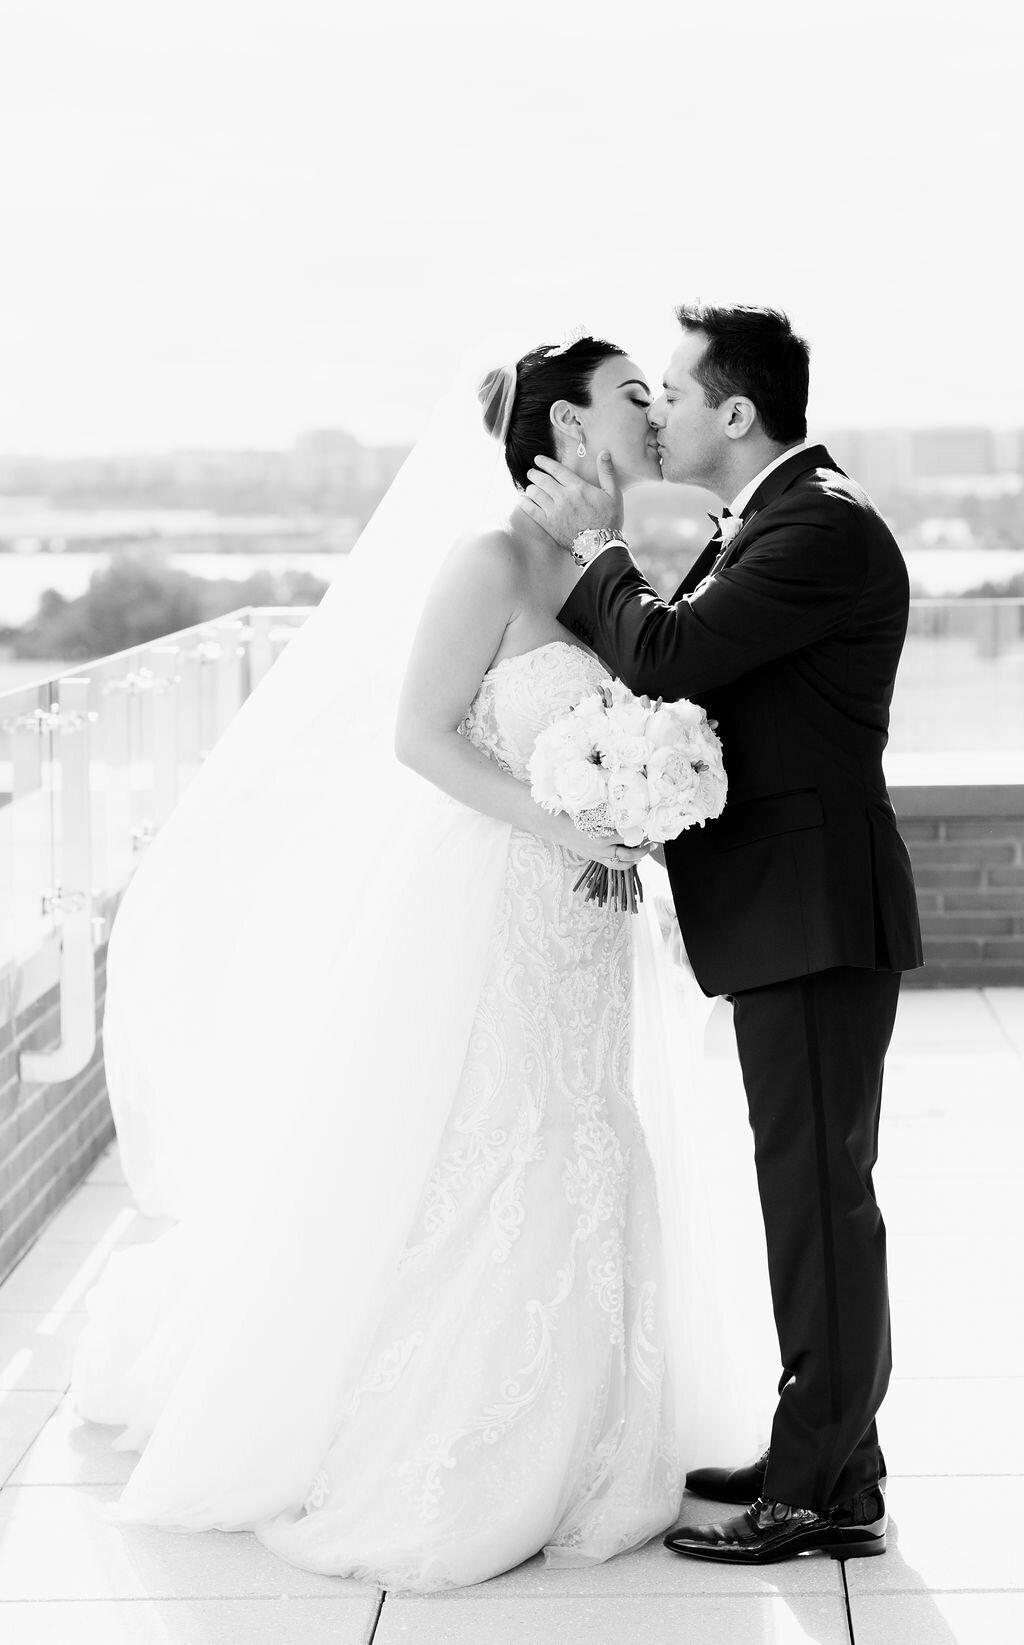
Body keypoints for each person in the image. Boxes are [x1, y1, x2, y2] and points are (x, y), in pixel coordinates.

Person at [72, 336, 767, 1591]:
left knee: (588, 1131)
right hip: (504, 896)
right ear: (564, 425)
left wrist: (639, 795)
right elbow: (417, 736)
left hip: (589, 917)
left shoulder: (604, 566)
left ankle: (588, 1432)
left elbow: (638, 705)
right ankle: (462, 1438)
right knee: (493, 1138)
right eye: (630, 394)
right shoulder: (491, 558)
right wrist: (568, 819)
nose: (655, 410)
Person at [520, 304, 923, 1565]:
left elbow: (669, 654)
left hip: (814, 915)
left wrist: (591, 542)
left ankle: (815, 1489)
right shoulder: (783, 520)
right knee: (807, 1193)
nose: (660, 417)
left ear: (735, 414)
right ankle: (830, 1453)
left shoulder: (817, 528)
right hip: (795, 912)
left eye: (676, 396)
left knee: (818, 1199)